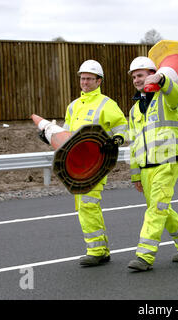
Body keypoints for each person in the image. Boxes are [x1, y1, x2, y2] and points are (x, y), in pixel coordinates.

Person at [127, 56, 178, 271]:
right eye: (134, 77)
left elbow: (177, 94)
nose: (138, 80)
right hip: (146, 167)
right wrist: (135, 174)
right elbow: (133, 143)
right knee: (159, 207)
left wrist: (162, 79)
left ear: (152, 73)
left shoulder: (167, 96)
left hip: (167, 162)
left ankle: (145, 256)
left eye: (141, 74)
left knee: (156, 208)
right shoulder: (134, 110)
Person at [63, 59, 128, 267]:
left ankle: (97, 251)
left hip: (97, 163)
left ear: (99, 81)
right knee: (85, 205)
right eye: (82, 78)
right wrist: (48, 136)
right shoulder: (73, 106)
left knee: (88, 203)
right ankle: (100, 248)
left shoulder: (107, 104)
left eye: (89, 79)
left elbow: (122, 127)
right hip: (76, 165)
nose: (85, 82)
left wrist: (117, 140)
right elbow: (65, 134)